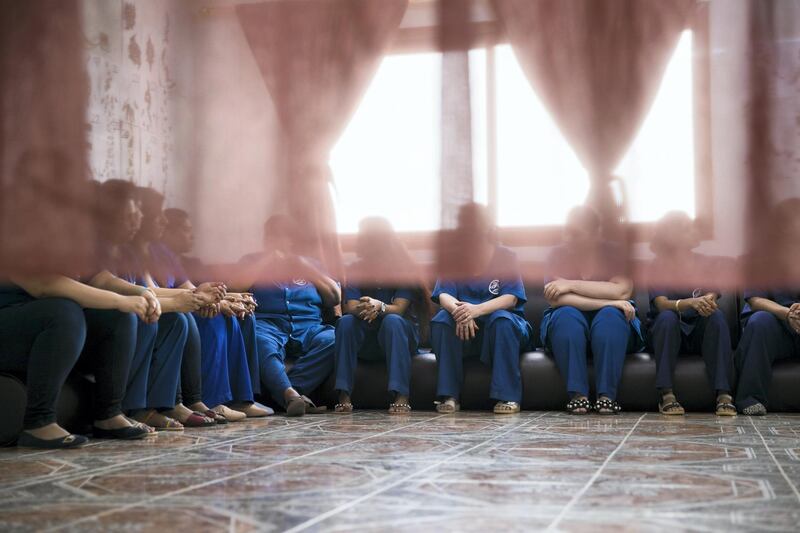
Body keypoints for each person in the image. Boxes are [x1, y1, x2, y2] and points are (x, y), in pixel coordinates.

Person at [136, 188, 269, 420]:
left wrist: (226, 298)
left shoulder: (164, 253)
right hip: (160, 310)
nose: (163, 222)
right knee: (212, 316)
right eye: (159, 216)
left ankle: (242, 399)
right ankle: (211, 400)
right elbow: (151, 290)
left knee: (240, 315)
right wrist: (205, 301)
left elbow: (188, 288)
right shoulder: (139, 252)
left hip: (179, 303)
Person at [87, 179, 196, 431]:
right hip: (98, 319)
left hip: (128, 310)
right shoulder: (94, 246)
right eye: (130, 216)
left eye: (137, 215)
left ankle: (160, 404)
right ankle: (131, 407)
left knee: (175, 319)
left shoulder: (128, 253)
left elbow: (149, 287)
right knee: (143, 316)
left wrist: (188, 298)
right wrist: (164, 298)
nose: (135, 222)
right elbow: (103, 279)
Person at [232, 215, 339, 416]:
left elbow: (334, 297)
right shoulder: (251, 261)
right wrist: (268, 260)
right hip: (268, 324)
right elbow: (234, 288)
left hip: (309, 327)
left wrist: (305, 267)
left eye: (283, 236)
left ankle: (290, 394)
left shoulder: (312, 264)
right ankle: (289, 395)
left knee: (334, 339)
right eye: (271, 236)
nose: (276, 241)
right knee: (259, 341)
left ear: (293, 240)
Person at [430, 204, 532, 414]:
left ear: (487, 227)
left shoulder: (506, 257)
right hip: (465, 329)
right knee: (442, 319)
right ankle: (449, 396)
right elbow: (443, 295)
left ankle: (508, 397)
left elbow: (511, 298)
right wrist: (461, 312)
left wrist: (476, 310)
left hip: (503, 328)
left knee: (501, 319)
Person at [542, 205, 643, 415]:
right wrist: (608, 300)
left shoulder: (615, 253)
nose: (568, 238)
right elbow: (557, 300)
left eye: (576, 233)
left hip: (613, 322)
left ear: (596, 234)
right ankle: (578, 395)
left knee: (611, 317)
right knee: (566, 315)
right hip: (569, 318)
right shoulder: (556, 255)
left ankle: (607, 396)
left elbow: (623, 291)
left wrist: (570, 283)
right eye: (566, 231)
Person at [334, 217, 430, 414]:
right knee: (345, 322)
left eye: (364, 237)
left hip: (399, 337)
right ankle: (343, 394)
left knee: (392, 321)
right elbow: (350, 307)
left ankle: (401, 394)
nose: (359, 240)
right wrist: (368, 306)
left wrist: (381, 306)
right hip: (367, 337)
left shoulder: (403, 269)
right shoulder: (355, 268)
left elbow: (399, 308)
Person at [646, 212, 735, 416]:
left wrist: (707, 300)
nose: (695, 230)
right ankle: (666, 394)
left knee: (717, 316)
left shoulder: (705, 262)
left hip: (698, 333)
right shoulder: (656, 266)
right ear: (673, 236)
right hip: (667, 332)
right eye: (688, 228)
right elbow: (661, 304)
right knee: (667, 318)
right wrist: (691, 302)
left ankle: (724, 395)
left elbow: (713, 291)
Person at [735, 199, 800, 416]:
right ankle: (750, 397)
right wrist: (788, 314)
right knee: (759, 321)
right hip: (777, 326)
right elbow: (754, 299)